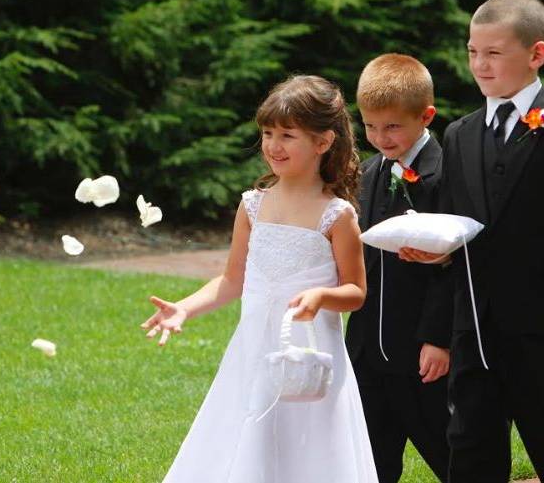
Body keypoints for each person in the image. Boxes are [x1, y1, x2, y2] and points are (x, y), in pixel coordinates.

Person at [401, 0, 544, 482]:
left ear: (536, 54)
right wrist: (434, 258)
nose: (480, 64)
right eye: (473, 51)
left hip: (542, 324)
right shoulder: (460, 134)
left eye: (494, 53)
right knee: (469, 439)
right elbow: (457, 229)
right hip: (473, 321)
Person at [141, 75, 379, 483]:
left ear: (323, 142)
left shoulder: (337, 215)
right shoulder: (253, 206)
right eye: (268, 133)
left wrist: (322, 296)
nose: (273, 145)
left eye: (288, 135)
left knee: (307, 447)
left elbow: (356, 292)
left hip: (310, 355)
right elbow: (232, 280)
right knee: (250, 442)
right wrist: (185, 308)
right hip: (252, 352)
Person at [345, 53, 452, 482]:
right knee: (370, 461)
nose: (380, 137)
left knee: (450, 454)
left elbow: (455, 268)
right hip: (368, 351)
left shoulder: (444, 174)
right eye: (370, 126)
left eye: (392, 126)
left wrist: (438, 339)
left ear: (426, 116)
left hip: (422, 354)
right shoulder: (367, 173)